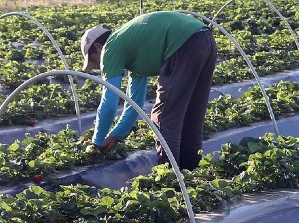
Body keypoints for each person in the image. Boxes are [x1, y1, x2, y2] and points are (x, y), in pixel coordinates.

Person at [80, 11, 218, 170]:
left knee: (163, 117)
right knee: (191, 115)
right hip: (204, 38)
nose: (97, 66)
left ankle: (170, 178)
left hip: (183, 43)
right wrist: (115, 135)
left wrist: (96, 142)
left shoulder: (111, 47)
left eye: (93, 60)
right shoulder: (131, 47)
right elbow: (135, 103)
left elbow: (109, 102)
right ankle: (190, 172)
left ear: (98, 47)